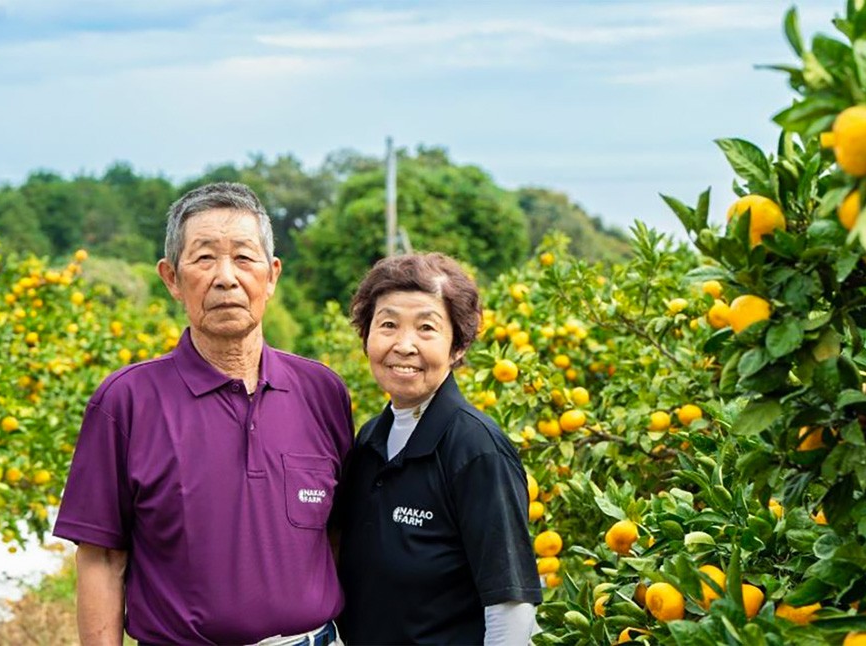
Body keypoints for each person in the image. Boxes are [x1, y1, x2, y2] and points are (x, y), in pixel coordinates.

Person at [53, 182, 353, 646]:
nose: (226, 278)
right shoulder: (126, 401)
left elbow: (338, 532)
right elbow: (102, 559)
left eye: (244, 257)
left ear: (272, 275)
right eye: (205, 258)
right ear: (172, 278)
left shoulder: (322, 392)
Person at [337, 252, 542, 645]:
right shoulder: (370, 440)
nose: (404, 345)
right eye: (388, 325)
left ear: (457, 346)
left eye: (426, 328)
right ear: (366, 337)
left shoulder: (476, 449)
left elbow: (510, 606)